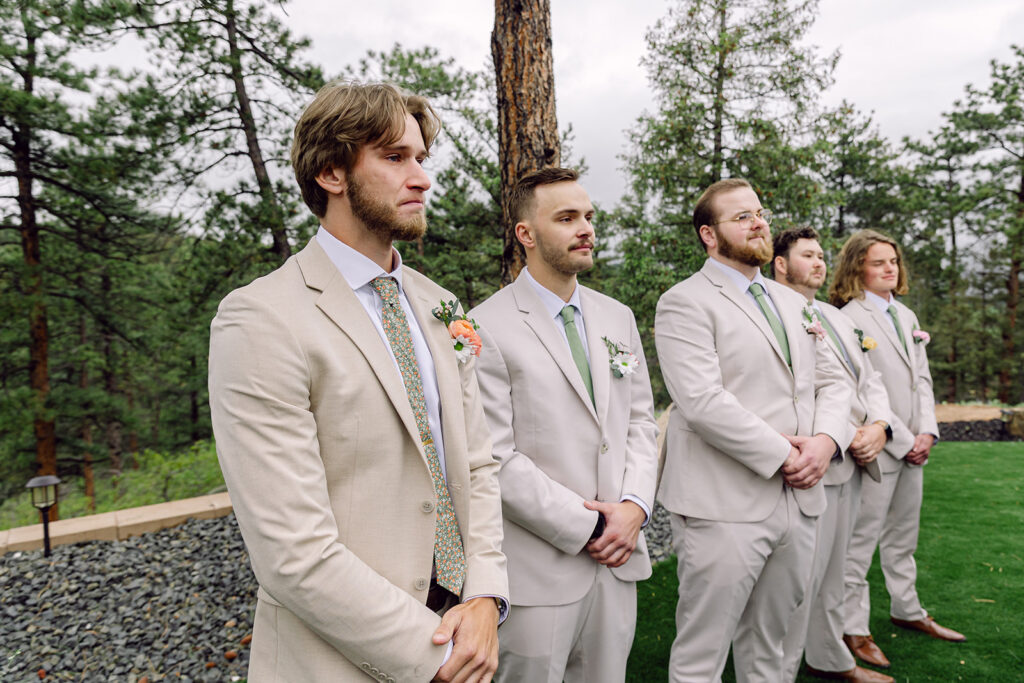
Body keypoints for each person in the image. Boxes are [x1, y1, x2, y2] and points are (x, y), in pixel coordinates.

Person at [208, 81, 508, 683]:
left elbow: (476, 464)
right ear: (331, 173)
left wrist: (486, 598)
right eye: (395, 158)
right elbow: (292, 553)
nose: (421, 177)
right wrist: (436, 656)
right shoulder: (260, 318)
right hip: (341, 658)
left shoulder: (440, 305)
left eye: (421, 158)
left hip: (467, 628)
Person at [655, 178, 853, 682]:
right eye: (741, 217)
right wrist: (788, 456)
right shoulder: (684, 302)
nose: (758, 222)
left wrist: (826, 443)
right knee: (703, 652)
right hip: (724, 506)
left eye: (759, 212)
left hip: (801, 504)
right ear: (709, 234)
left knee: (771, 647)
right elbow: (701, 401)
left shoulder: (794, 304)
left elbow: (833, 381)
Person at [469, 167, 659, 683]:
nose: (586, 229)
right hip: (540, 571)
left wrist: (635, 508)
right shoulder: (485, 325)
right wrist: (592, 526)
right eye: (567, 218)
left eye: (589, 217)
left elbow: (640, 420)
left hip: (618, 561)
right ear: (525, 234)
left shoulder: (616, 316)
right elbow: (495, 457)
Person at [829, 229, 965, 670]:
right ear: (856, 269)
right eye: (878, 262)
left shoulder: (905, 316)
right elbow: (864, 390)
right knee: (860, 542)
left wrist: (927, 432)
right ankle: (855, 628)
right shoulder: (849, 317)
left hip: (914, 445)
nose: (890, 268)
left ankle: (907, 609)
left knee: (904, 538)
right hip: (878, 450)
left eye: (894, 261)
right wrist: (903, 441)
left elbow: (920, 381)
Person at [772, 227, 893, 683]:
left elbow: (869, 381)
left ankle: (830, 658)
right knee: (797, 583)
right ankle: (780, 671)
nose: (820, 263)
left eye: (822, 255)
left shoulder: (836, 316)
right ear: (780, 263)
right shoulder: (773, 312)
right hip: (814, 464)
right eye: (808, 255)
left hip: (855, 464)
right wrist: (847, 433)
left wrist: (879, 427)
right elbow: (802, 392)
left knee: (834, 574)